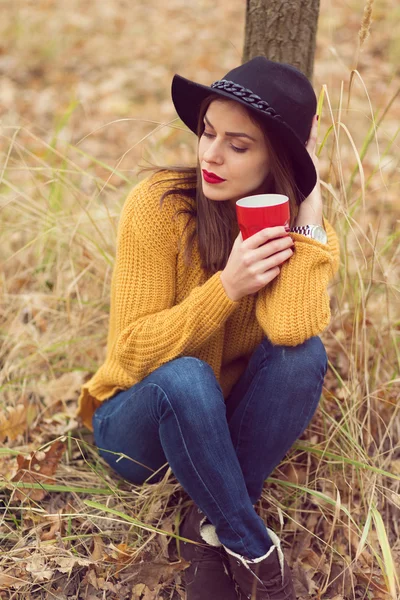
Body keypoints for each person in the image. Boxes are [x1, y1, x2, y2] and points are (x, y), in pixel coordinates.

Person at [76, 56, 340, 599]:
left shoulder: (287, 229)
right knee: (187, 376)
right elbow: (130, 356)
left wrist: (308, 213)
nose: (210, 155)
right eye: (207, 133)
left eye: (238, 146)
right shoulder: (159, 207)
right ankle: (254, 552)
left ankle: (210, 524)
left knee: (304, 356)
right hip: (136, 429)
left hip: (216, 428)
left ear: (276, 161)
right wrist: (227, 290)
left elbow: (291, 332)